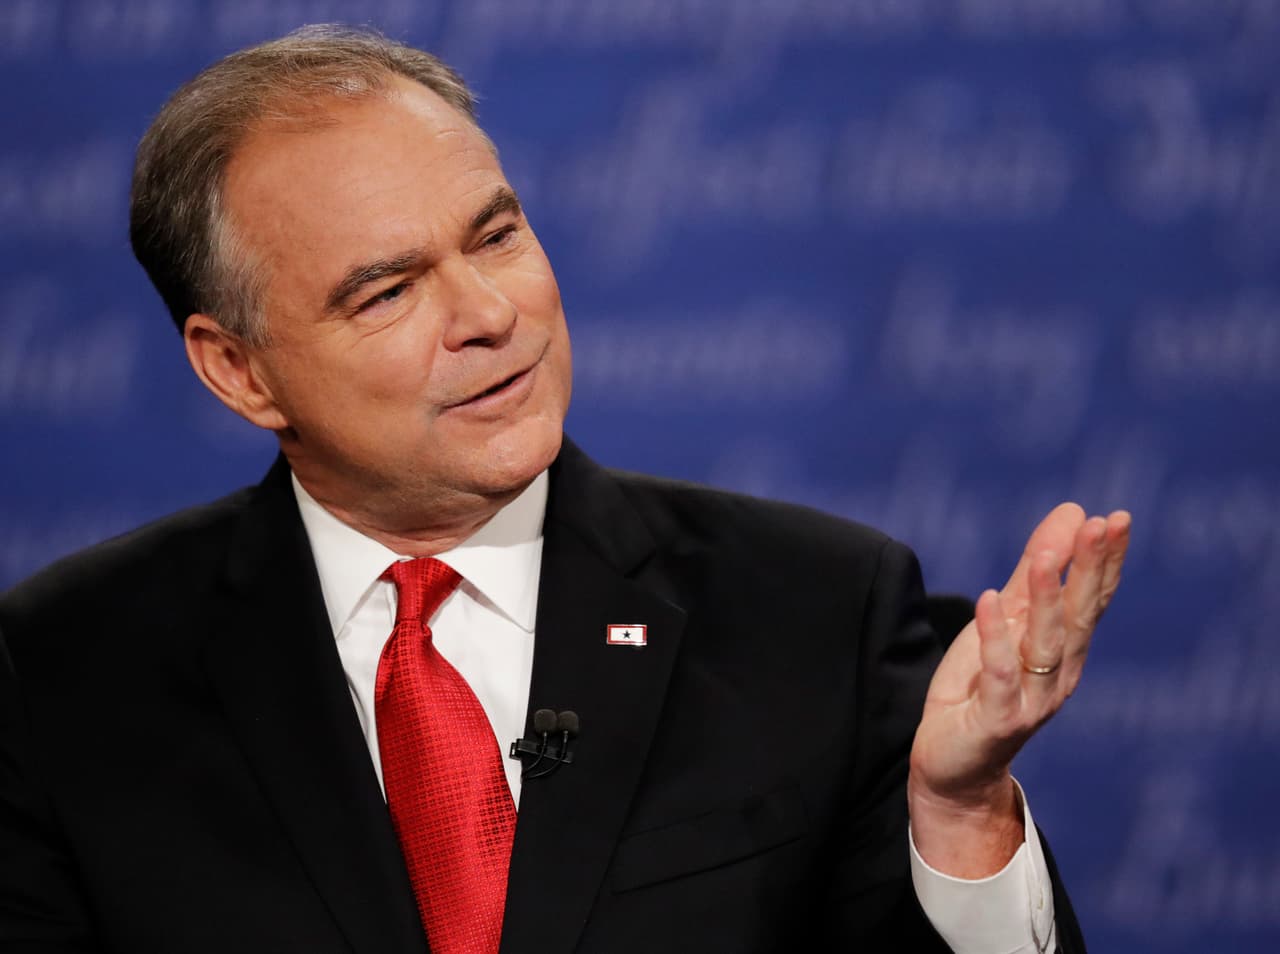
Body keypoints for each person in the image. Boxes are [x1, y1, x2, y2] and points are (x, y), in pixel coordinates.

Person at [0, 25, 1129, 954]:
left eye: (495, 235)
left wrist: (961, 819)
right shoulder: (63, 672)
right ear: (239, 371)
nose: (490, 314)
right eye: (388, 292)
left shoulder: (818, 612)